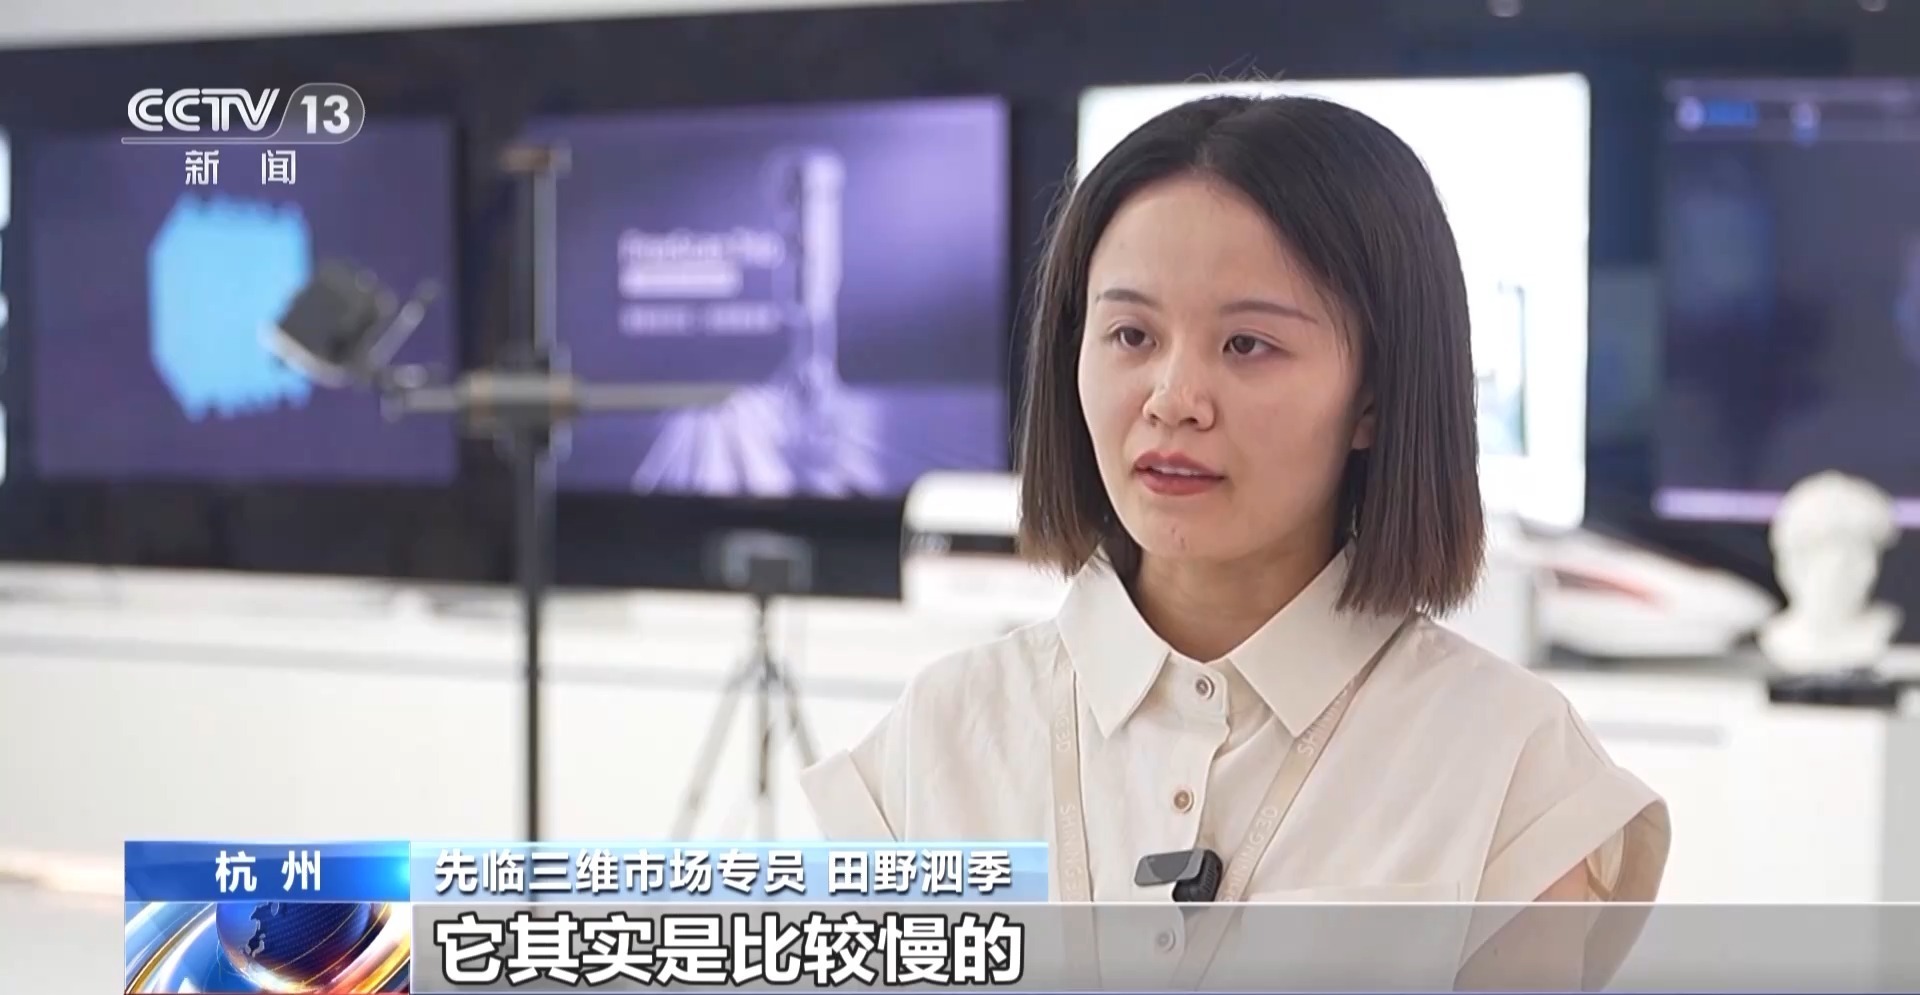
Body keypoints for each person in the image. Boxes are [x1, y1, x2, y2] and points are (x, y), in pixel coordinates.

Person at [799, 94, 1670, 985]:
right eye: (1131, 334)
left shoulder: (1510, 765)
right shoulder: (940, 737)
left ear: (1375, 395)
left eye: (1247, 344)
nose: (1173, 398)